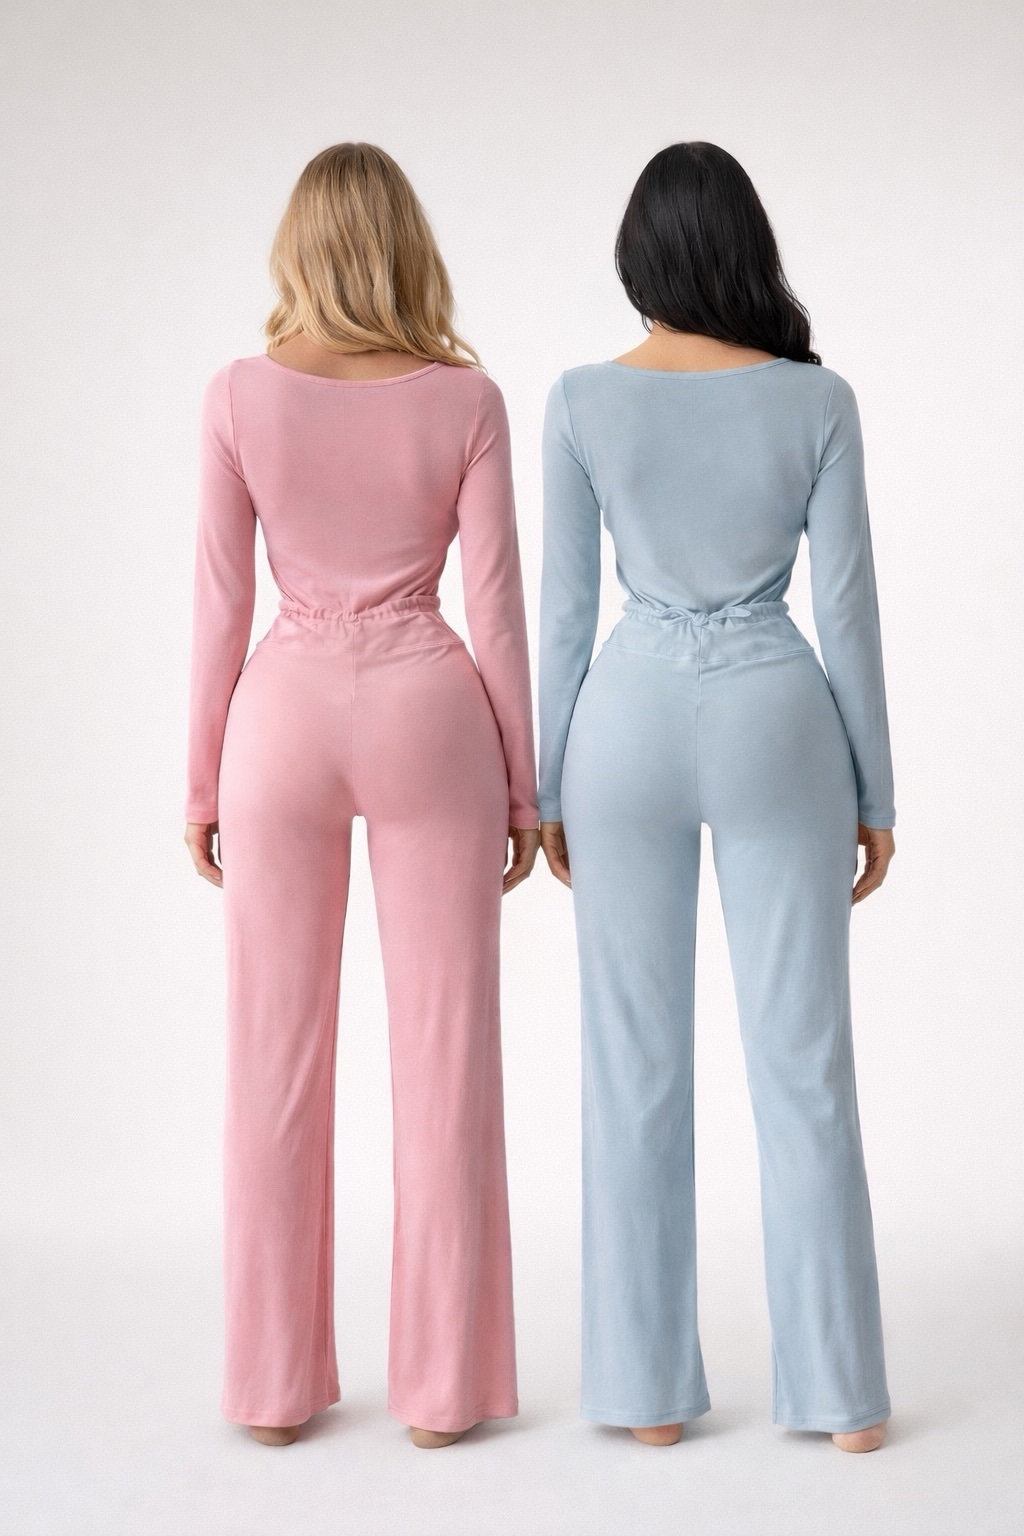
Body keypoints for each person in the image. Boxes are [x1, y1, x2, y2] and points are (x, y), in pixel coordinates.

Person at [538, 141, 895, 1453]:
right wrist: (875, 790)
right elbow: (847, 613)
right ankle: (843, 1400)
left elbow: (564, 612)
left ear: (639, 255)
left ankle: (644, 1399)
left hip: (622, 726)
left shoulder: (581, 400)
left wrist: (544, 788)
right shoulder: (818, 402)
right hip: (777, 723)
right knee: (804, 1066)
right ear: (748, 250)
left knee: (633, 1069)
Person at [183, 142, 540, 1449]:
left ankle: (273, 1390)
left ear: (298, 247)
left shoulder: (238, 396)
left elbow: (222, 602)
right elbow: (495, 608)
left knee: (273, 1064)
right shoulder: (468, 400)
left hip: (277, 720)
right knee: (445, 1059)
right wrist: (524, 790)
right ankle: (443, 1394)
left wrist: (201, 779)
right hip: (430, 715)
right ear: (405, 248)